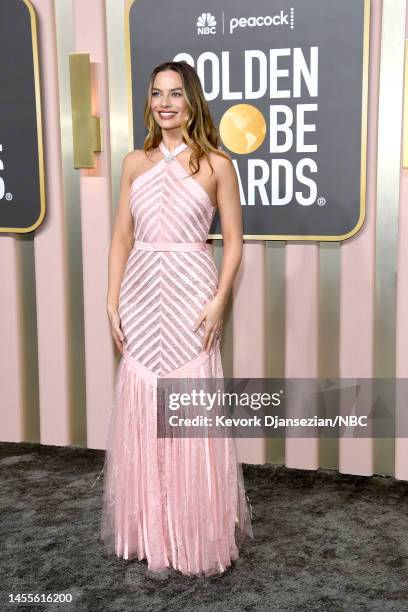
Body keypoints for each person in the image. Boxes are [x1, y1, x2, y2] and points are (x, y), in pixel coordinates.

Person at [100, 60, 253, 577]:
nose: (165, 103)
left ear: (192, 102)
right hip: (141, 291)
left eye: (175, 95)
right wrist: (111, 299)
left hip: (192, 290)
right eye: (157, 94)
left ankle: (192, 534)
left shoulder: (216, 165)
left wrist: (219, 301)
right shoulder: (133, 163)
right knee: (143, 399)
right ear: (149, 102)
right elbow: (122, 237)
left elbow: (233, 243)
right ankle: (146, 532)